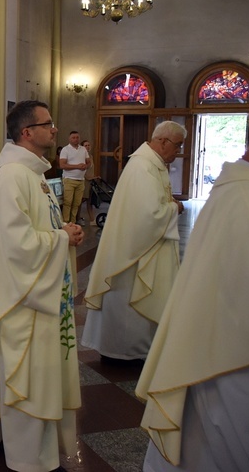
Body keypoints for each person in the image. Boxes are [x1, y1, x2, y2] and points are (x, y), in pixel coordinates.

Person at [136, 106, 249, 471]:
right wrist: (169, 210)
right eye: (175, 146)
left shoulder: (244, 194)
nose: (178, 153)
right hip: (232, 370)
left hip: (221, 360)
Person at [0, 100, 83, 472]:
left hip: (38, 295)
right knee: (26, 378)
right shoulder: (15, 177)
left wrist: (62, 234)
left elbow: (37, 231)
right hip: (24, 300)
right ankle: (28, 457)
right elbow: (17, 245)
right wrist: (61, 237)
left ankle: (37, 450)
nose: (55, 130)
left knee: (38, 375)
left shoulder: (32, 175)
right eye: (48, 124)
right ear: (27, 133)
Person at [82, 121, 187, 361]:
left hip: (142, 247)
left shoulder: (153, 163)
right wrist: (174, 208)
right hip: (134, 252)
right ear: (162, 141)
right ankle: (124, 351)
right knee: (128, 301)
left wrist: (170, 207)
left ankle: (136, 348)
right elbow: (148, 216)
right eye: (177, 145)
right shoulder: (143, 167)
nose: (178, 151)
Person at [59, 130, 90, 223]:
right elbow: (62, 165)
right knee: (68, 203)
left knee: (77, 203)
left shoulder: (83, 149)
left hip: (80, 180)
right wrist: (77, 166)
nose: (76, 139)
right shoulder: (65, 150)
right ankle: (66, 222)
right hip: (69, 179)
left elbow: (88, 161)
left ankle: (73, 222)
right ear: (69, 139)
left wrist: (86, 166)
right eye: (74, 137)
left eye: (77, 137)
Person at [79, 139, 98, 225]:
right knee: (81, 200)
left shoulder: (90, 156)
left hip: (90, 181)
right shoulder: (82, 157)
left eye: (88, 145)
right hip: (85, 181)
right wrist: (89, 177)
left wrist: (94, 177)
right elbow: (83, 170)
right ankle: (77, 217)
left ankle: (92, 219)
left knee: (89, 201)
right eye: (85, 145)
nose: (87, 147)